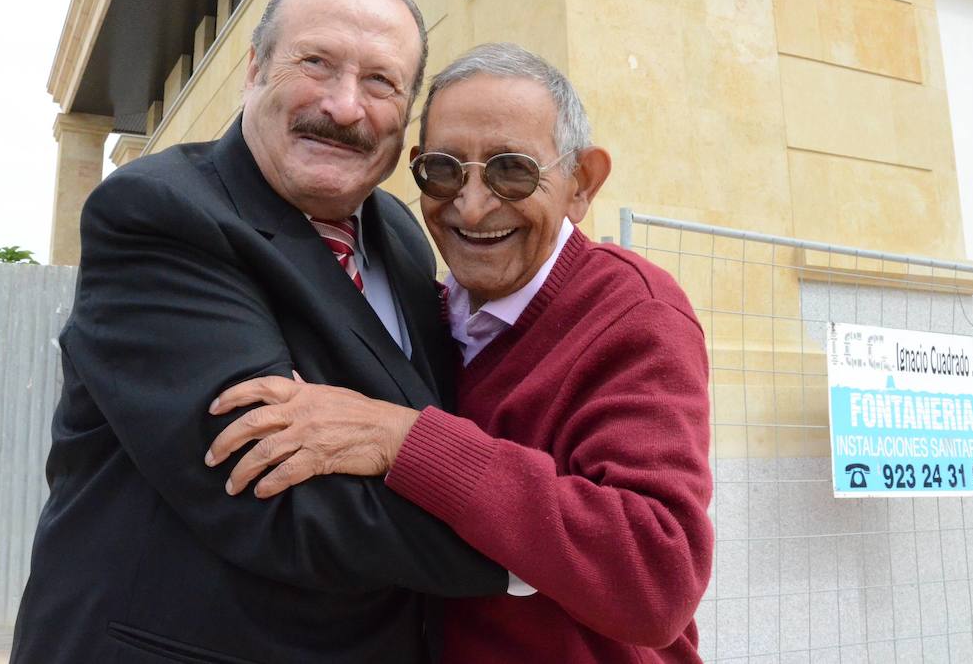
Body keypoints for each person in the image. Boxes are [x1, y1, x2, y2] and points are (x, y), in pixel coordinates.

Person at [10, 0, 504, 664]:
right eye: (317, 64)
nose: (343, 106)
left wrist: (396, 441)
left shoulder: (399, 232)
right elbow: (275, 498)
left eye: (380, 82)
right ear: (254, 71)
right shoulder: (160, 212)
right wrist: (540, 543)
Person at [207, 44, 714, 663]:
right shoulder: (429, 305)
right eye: (444, 172)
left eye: (512, 171)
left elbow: (656, 579)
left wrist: (407, 440)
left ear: (581, 184)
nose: (471, 206)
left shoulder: (634, 313)